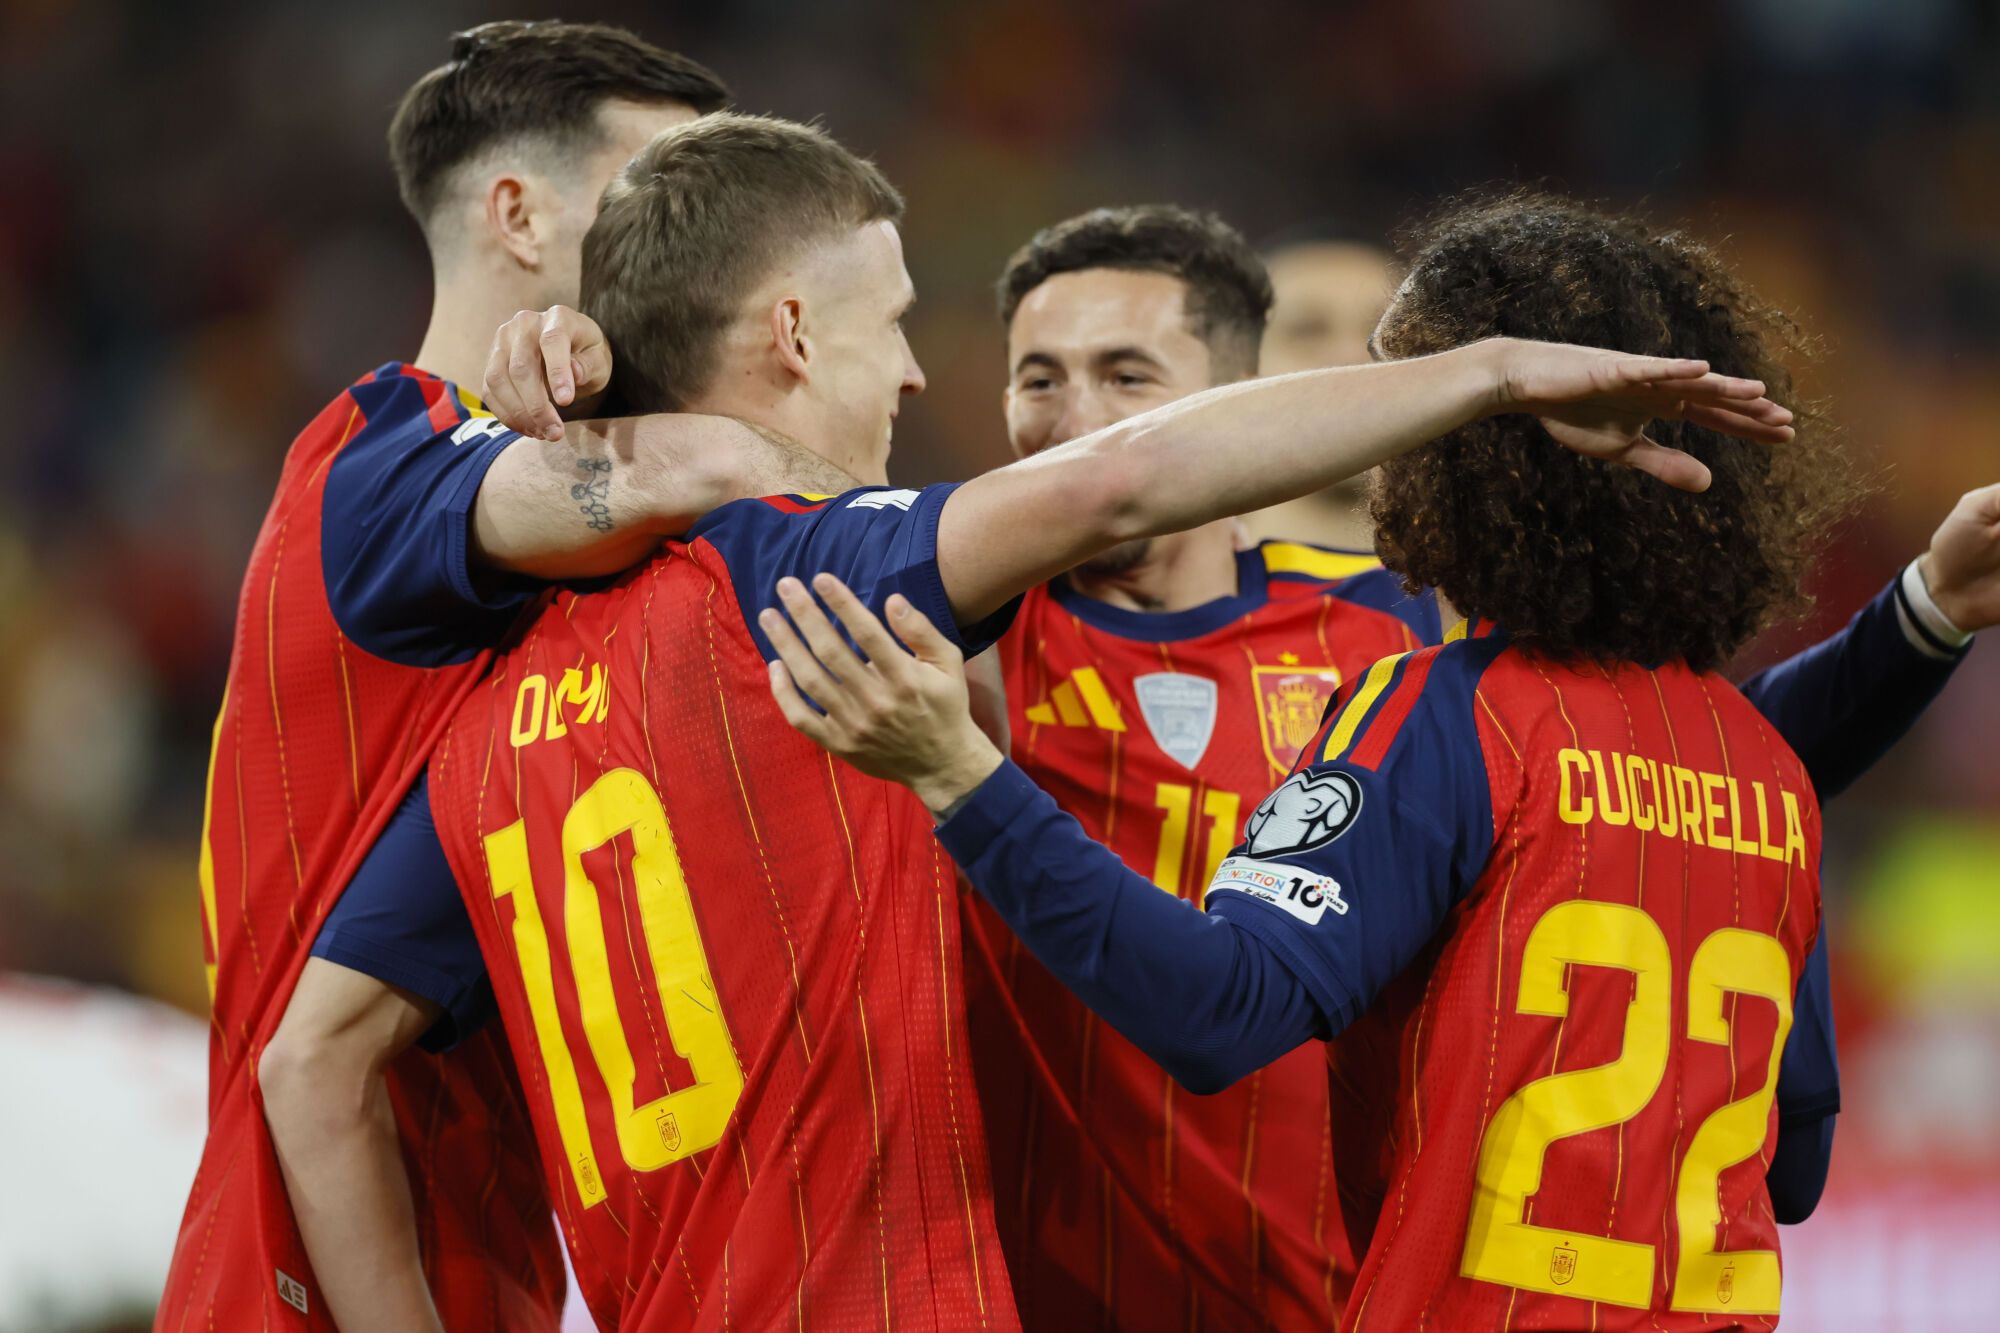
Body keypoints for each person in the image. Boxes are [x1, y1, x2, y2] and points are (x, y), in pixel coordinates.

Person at [277, 116, 1790, 1329]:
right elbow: (1114, 485)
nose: (921, 372)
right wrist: (1490, 377)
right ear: (797, 333)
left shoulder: (490, 713)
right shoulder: (811, 574)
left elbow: (313, 1062)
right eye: (896, 325)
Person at [760, 195, 1997, 1329]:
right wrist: (1919, 616)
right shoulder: (1758, 773)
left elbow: (1222, 1004)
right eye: (1042, 375)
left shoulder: (1425, 691)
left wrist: (957, 777)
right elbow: (1792, 1162)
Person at [161, 23, 858, 1333]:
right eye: (655, 196)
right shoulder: (372, 472)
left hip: (475, 1263)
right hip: (306, 1286)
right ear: (520, 213)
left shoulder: (548, 546)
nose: (693, 242)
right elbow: (309, 1068)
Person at [1242, 221, 1400, 548]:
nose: (1352, 355)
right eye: (1307, 330)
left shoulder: (1503, 590)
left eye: (1386, 332)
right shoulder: (1155, 591)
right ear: (1235, 370)